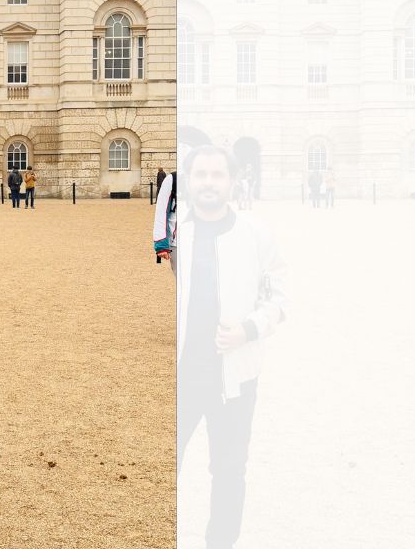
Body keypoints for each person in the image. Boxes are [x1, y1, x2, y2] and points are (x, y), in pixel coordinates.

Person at [175, 146, 288, 549]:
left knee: (227, 472)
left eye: (217, 174)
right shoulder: (175, 235)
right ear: (188, 181)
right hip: (181, 378)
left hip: (234, 376)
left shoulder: (256, 234)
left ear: (232, 180)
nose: (208, 182)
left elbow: (279, 299)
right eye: (200, 174)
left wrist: (248, 329)